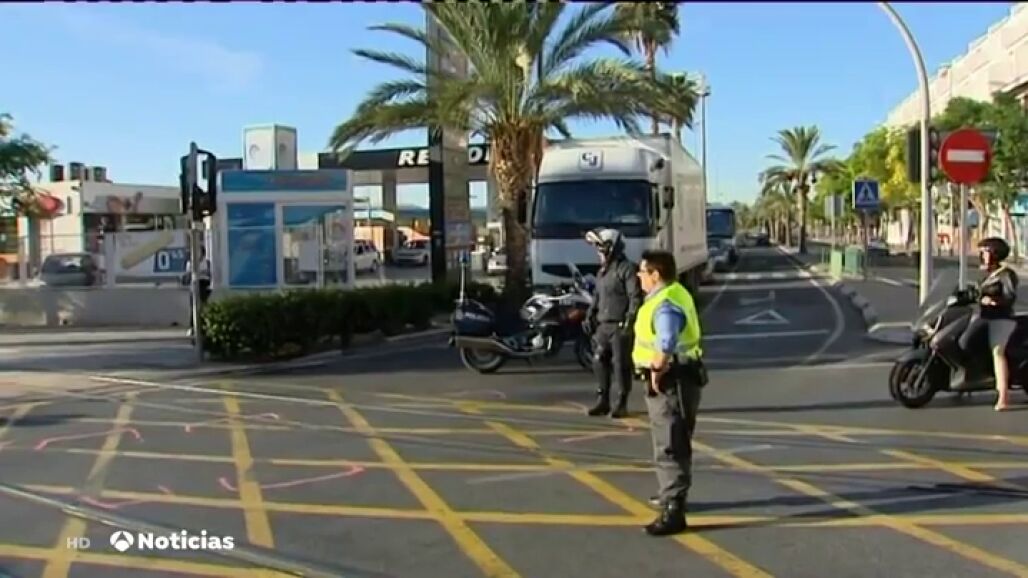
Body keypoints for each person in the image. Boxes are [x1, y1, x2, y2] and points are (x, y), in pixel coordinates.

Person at [631, 249, 706, 536]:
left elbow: (666, 341)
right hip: (679, 376)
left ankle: (674, 510)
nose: (639, 277)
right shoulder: (673, 293)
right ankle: (671, 494)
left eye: (642, 272)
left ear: (655, 274)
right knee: (673, 438)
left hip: (672, 379)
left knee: (670, 443)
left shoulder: (666, 304)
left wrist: (656, 370)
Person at [582, 228, 643, 418]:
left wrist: (630, 319)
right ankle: (603, 400)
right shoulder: (603, 271)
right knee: (599, 360)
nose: (599, 252)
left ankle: (622, 402)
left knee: (620, 364)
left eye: (601, 247)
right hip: (603, 325)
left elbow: (635, 296)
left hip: (619, 325)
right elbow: (597, 296)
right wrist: (590, 315)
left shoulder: (627, 269)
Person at [958, 237, 1018, 411]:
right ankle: (975, 377)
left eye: (985, 252)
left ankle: (1003, 397)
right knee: (964, 341)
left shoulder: (1006, 274)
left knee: (997, 352)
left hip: (1001, 318)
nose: (981, 256)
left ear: (995, 254)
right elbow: (975, 292)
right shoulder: (985, 274)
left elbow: (1010, 296)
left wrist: (995, 301)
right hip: (984, 317)